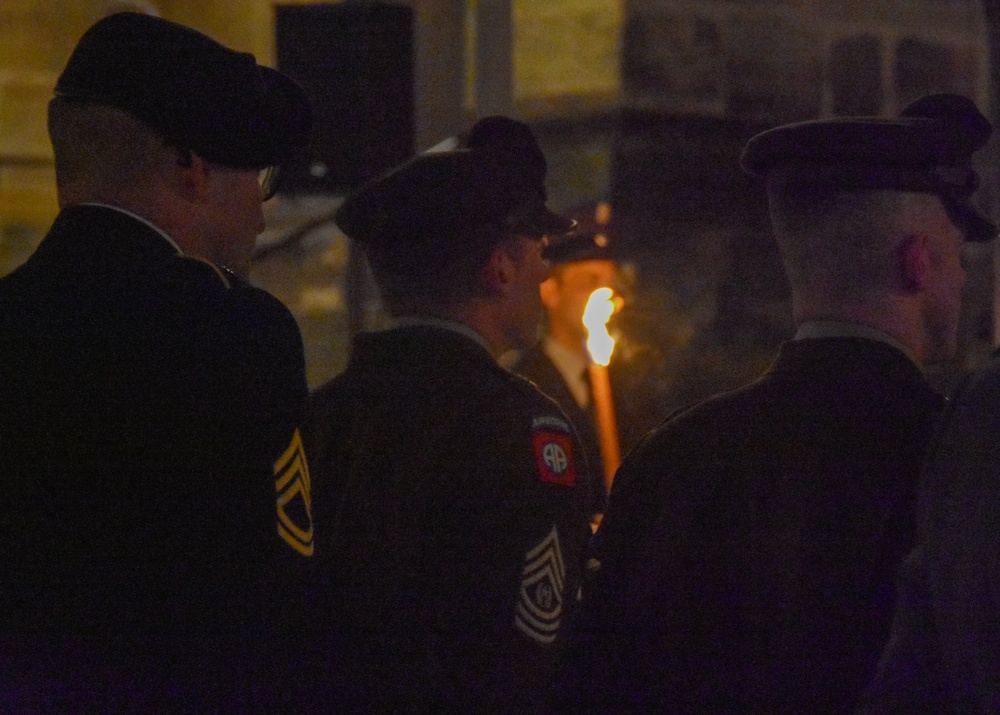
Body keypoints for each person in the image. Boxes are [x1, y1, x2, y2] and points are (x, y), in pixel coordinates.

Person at [554, 93, 996, 713]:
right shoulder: (955, 461)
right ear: (918, 262)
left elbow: (596, 683)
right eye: (954, 253)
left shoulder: (674, 458)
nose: (963, 276)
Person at [0, 12, 316, 711]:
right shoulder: (231, 336)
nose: (264, 216)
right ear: (190, 167)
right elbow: (265, 616)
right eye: (255, 174)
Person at [304, 116, 593, 711]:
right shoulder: (523, 430)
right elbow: (530, 652)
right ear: (499, 267)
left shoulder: (318, 418)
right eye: (537, 252)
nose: (544, 271)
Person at [510, 220, 622, 521]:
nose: (607, 294)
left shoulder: (631, 382)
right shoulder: (521, 385)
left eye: (610, 283)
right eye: (591, 282)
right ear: (550, 292)